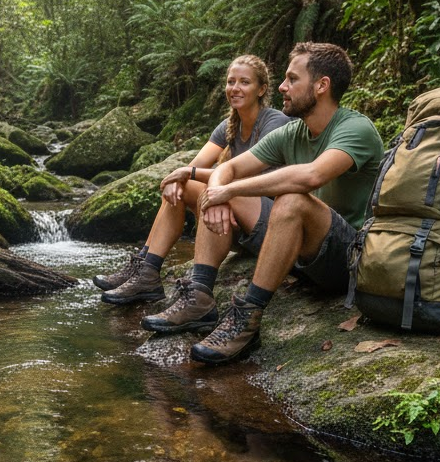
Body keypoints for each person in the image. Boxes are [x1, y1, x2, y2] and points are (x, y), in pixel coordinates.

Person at [140, 42, 384, 365]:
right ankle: (199, 297)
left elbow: (311, 176)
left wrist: (224, 191)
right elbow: (229, 168)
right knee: (230, 188)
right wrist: (217, 193)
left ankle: (247, 318)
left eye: (292, 79)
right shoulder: (294, 132)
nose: (283, 87)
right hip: (296, 250)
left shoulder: (356, 129)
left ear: (322, 86)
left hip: (344, 256)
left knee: (292, 198)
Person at [94, 54, 292, 305]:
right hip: (231, 221)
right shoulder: (228, 126)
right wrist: (179, 178)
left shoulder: (274, 122)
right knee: (182, 185)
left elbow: (246, 176)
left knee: (204, 184)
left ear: (261, 89)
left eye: (244, 82)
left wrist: (190, 175)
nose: (235, 88)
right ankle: (146, 269)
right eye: (231, 82)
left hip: (268, 223)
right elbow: (193, 168)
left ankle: (168, 279)